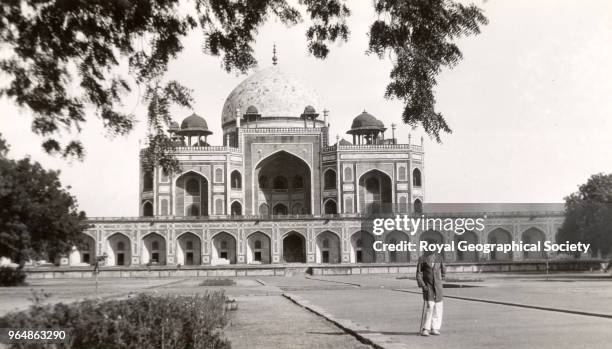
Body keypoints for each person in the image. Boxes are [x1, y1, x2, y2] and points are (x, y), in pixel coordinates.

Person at [416, 248, 445, 336]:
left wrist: (440, 280)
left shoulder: (439, 258)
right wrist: (423, 285)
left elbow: (443, 270)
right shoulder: (422, 259)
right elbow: (418, 273)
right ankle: (426, 328)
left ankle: (435, 328)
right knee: (430, 306)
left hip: (438, 287)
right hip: (428, 287)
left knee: (438, 308)